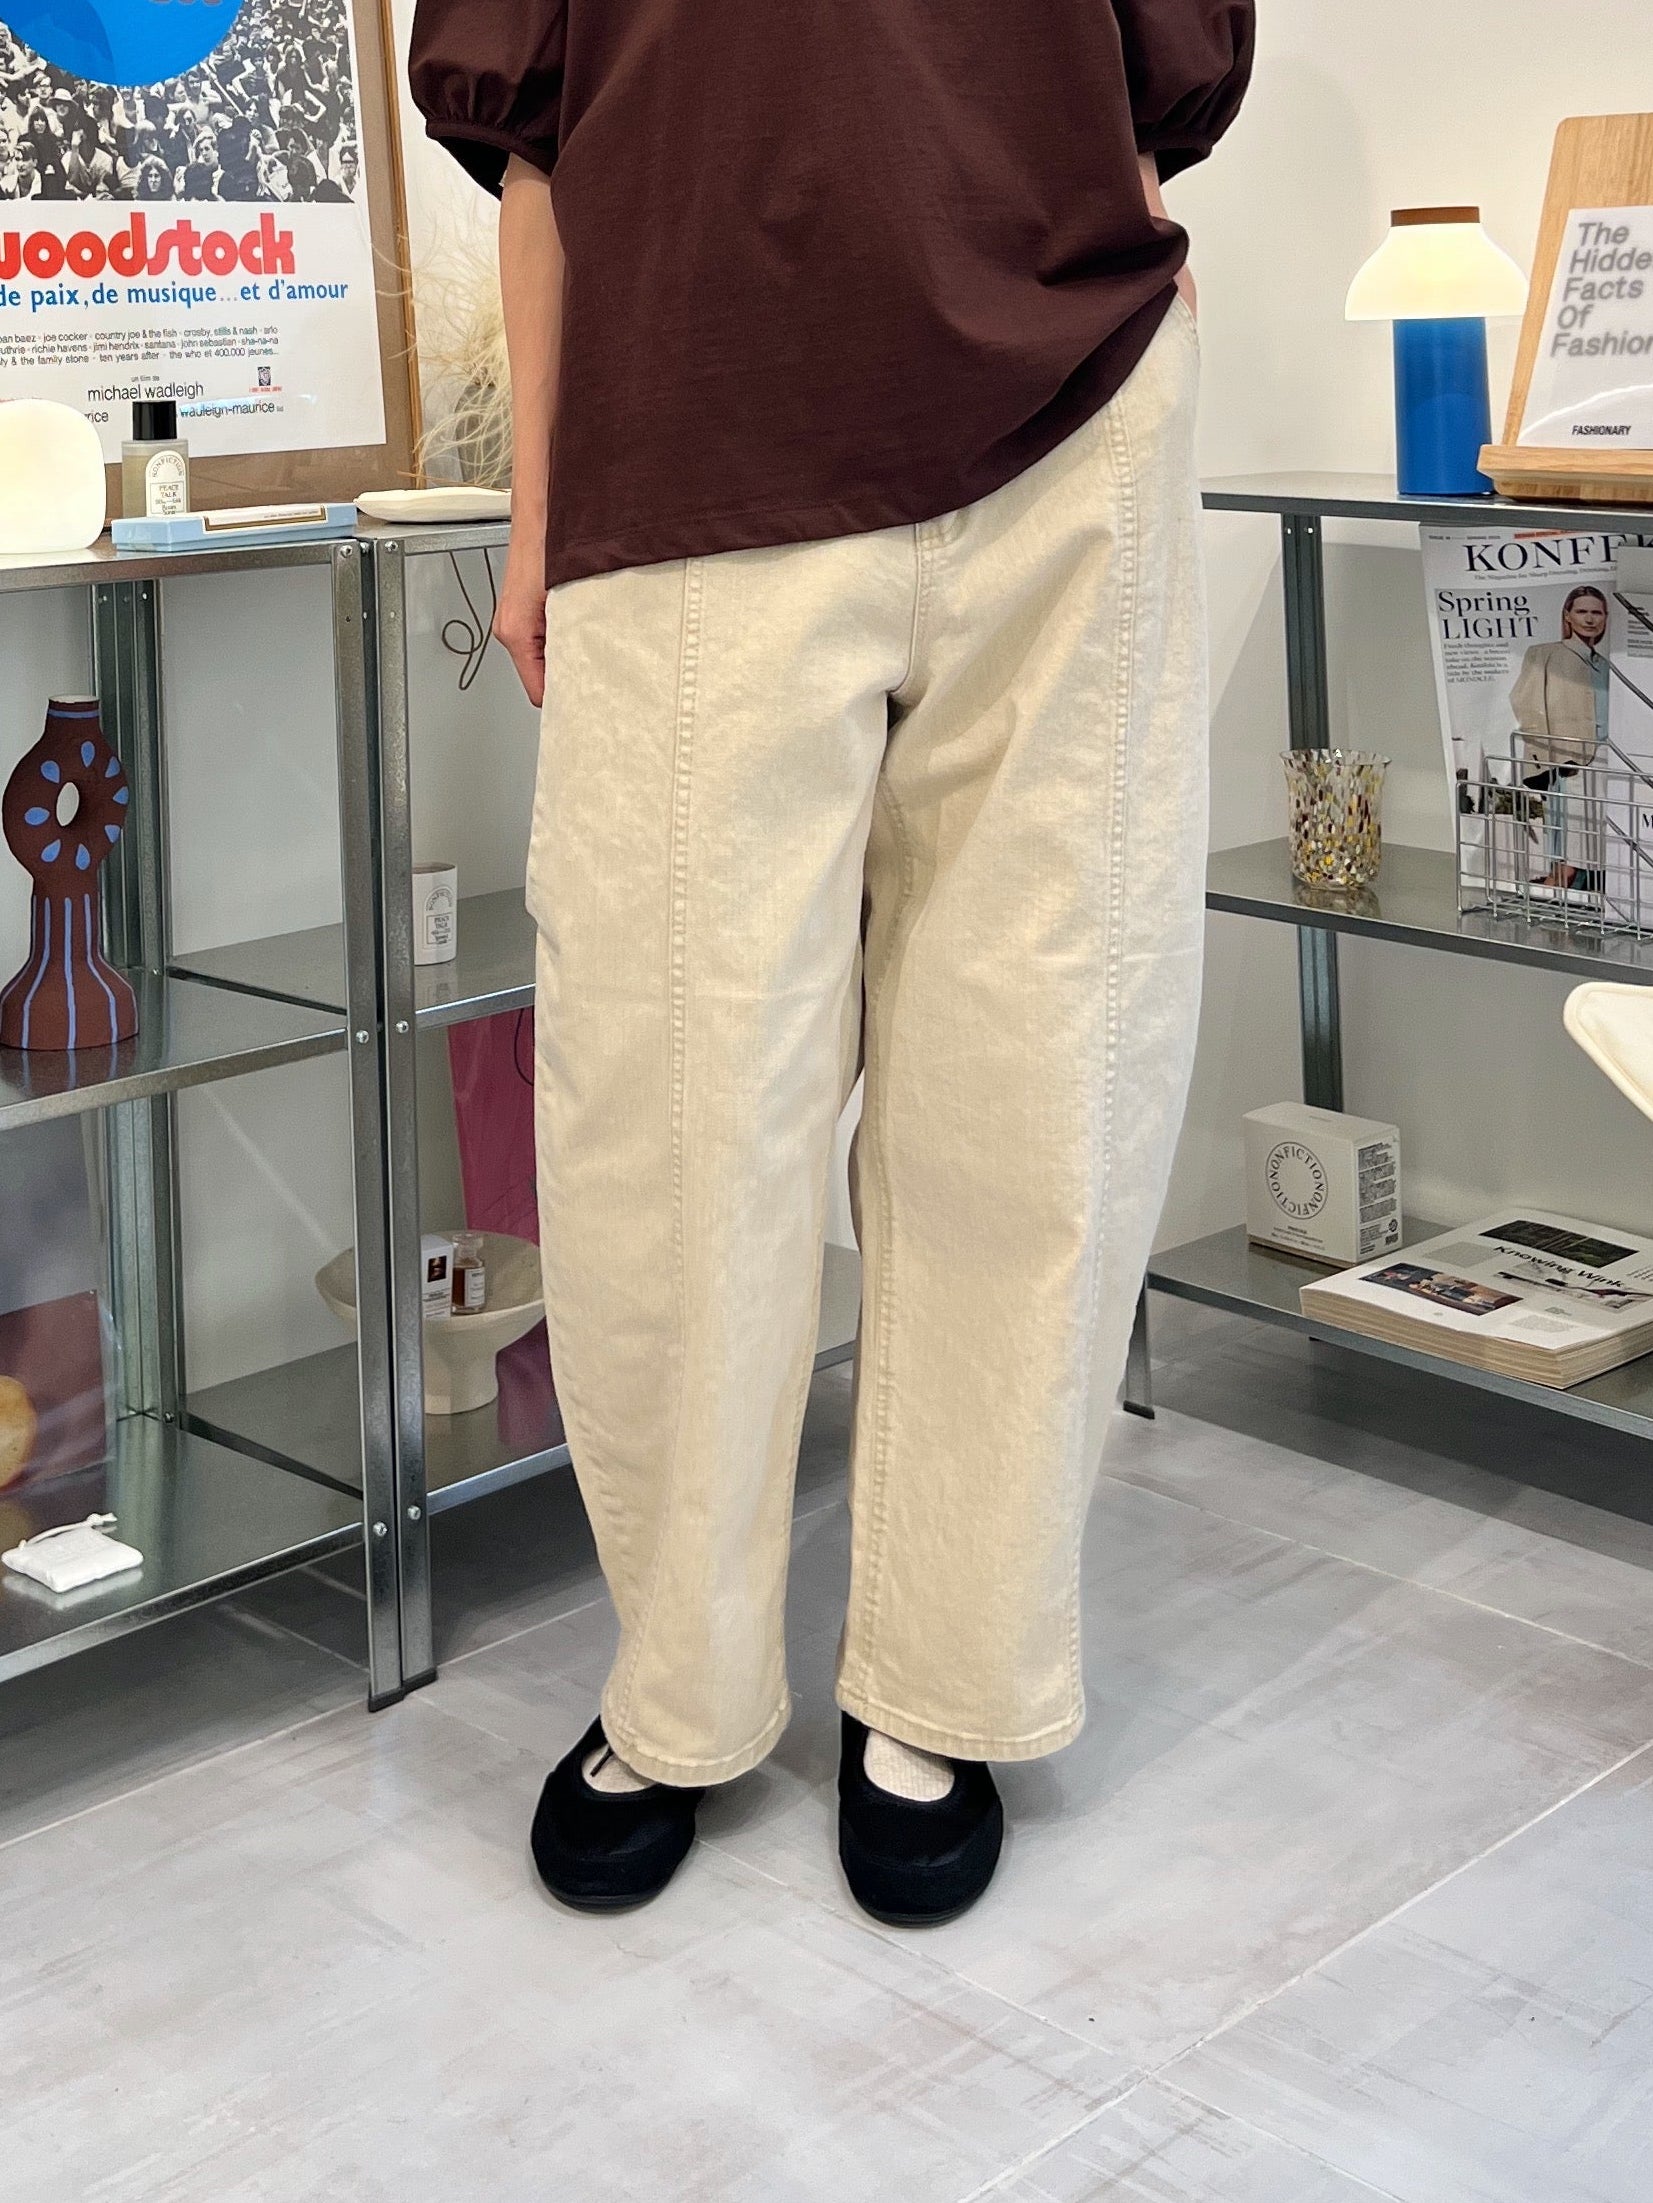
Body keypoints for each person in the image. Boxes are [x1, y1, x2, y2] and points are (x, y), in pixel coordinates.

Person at [410, 0, 1254, 1924]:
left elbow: (1149, 84)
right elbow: (536, 135)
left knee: (1034, 1078)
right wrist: (537, 511)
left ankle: (942, 1682)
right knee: (671, 1109)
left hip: (1067, 436)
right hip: (689, 429)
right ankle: (679, 1685)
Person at [1512, 584, 1611, 895]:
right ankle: (1559, 885)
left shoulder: (1607, 666)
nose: (1590, 619)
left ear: (1605, 617)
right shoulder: (1545, 654)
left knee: (1599, 832)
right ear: (1567, 615)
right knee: (1569, 832)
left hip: (1608, 761)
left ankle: (1587, 891)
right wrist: (1548, 759)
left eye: (1596, 612)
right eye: (1582, 611)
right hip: (1568, 760)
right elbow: (1526, 704)